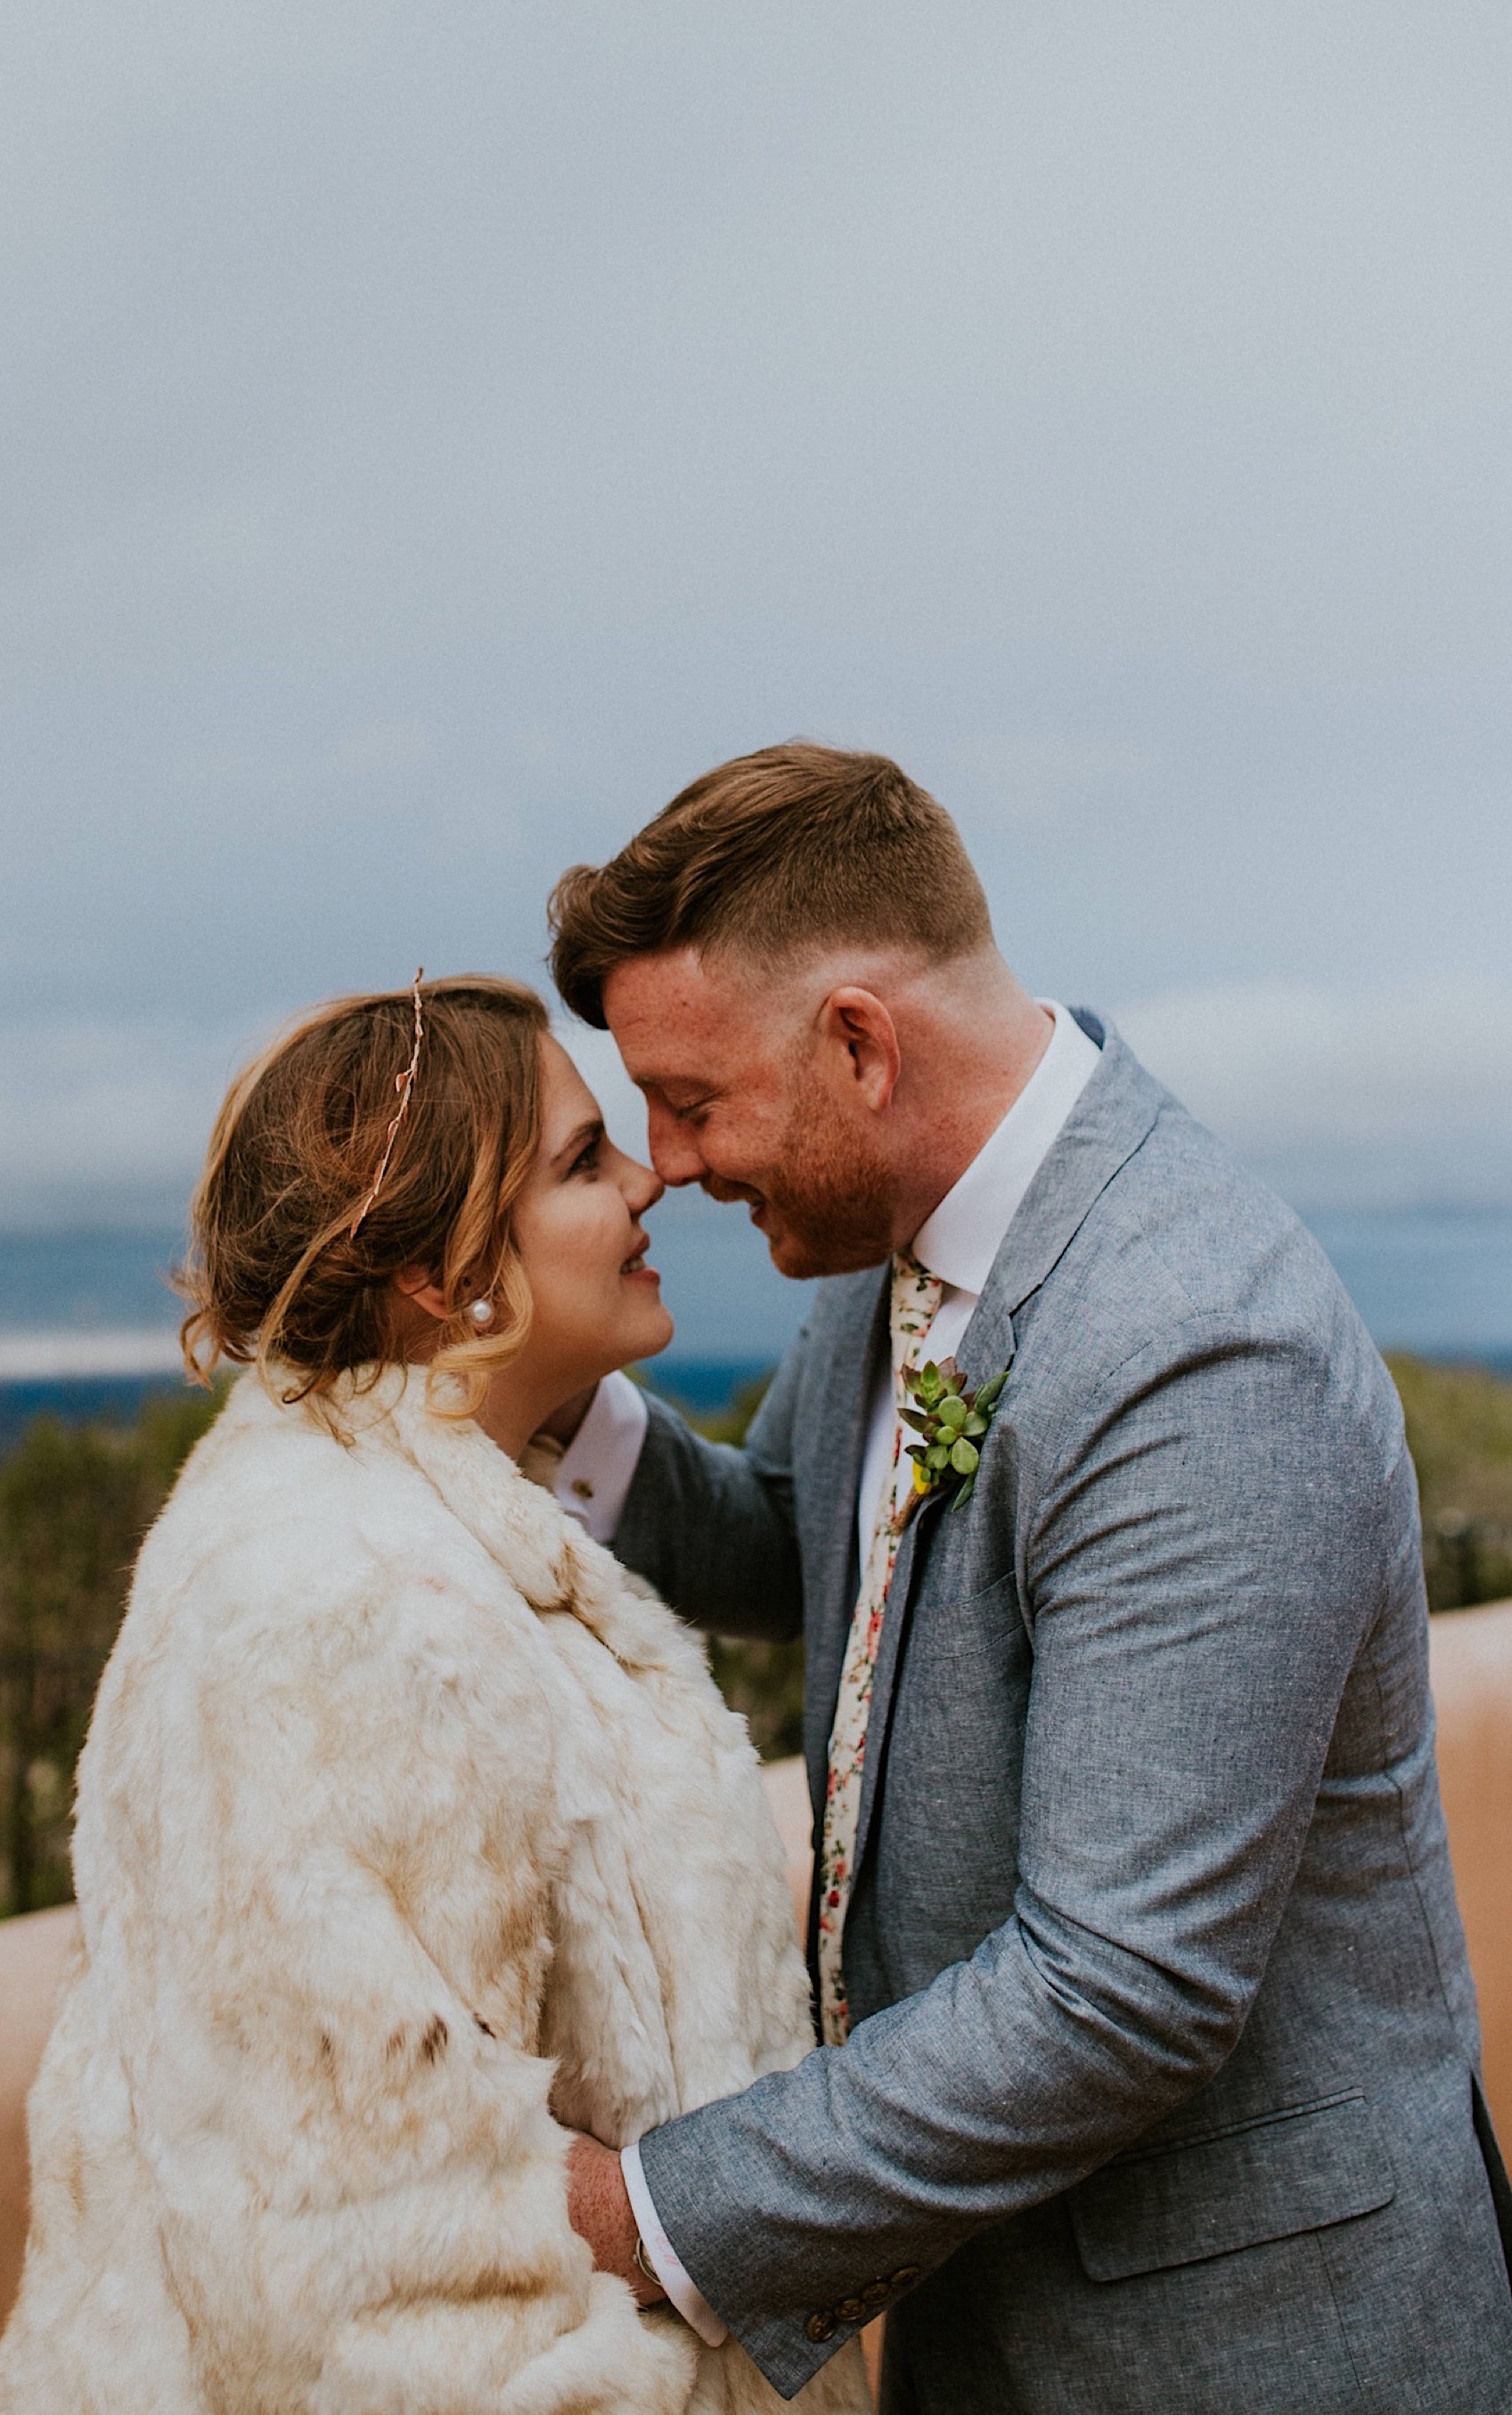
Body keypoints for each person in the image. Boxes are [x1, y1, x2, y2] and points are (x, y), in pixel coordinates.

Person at [547, 743, 1512, 2414]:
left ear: (858, 1043)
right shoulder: (888, 1242)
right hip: (997, 2298)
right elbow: (795, 1533)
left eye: (692, 1099)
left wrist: (642, 2208)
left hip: (1249, 2346)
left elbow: (1121, 1985)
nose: (669, 1161)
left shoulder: (1201, 1347)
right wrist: (532, 1380)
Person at [0, 974, 870, 2415]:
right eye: (586, 1160)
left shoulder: (442, 1528)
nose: (652, 1179)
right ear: (437, 1265)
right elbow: (376, 2256)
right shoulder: (345, 1603)